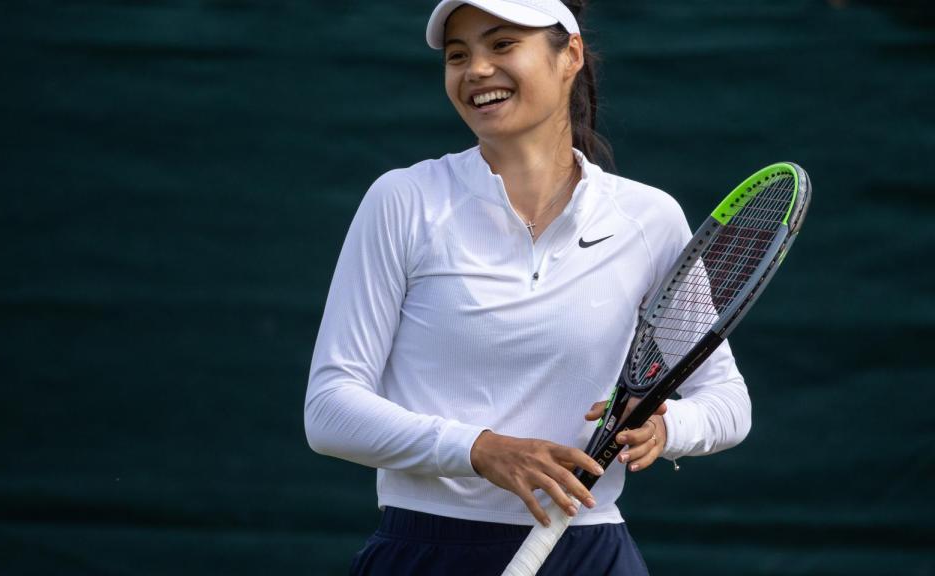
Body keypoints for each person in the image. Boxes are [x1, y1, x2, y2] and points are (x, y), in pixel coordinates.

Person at [304, 0, 751, 573]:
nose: (476, 70)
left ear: (569, 56)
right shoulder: (403, 202)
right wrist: (481, 450)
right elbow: (330, 409)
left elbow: (727, 402)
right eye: (458, 55)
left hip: (591, 554)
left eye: (502, 45)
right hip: (426, 550)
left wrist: (667, 427)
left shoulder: (648, 219)